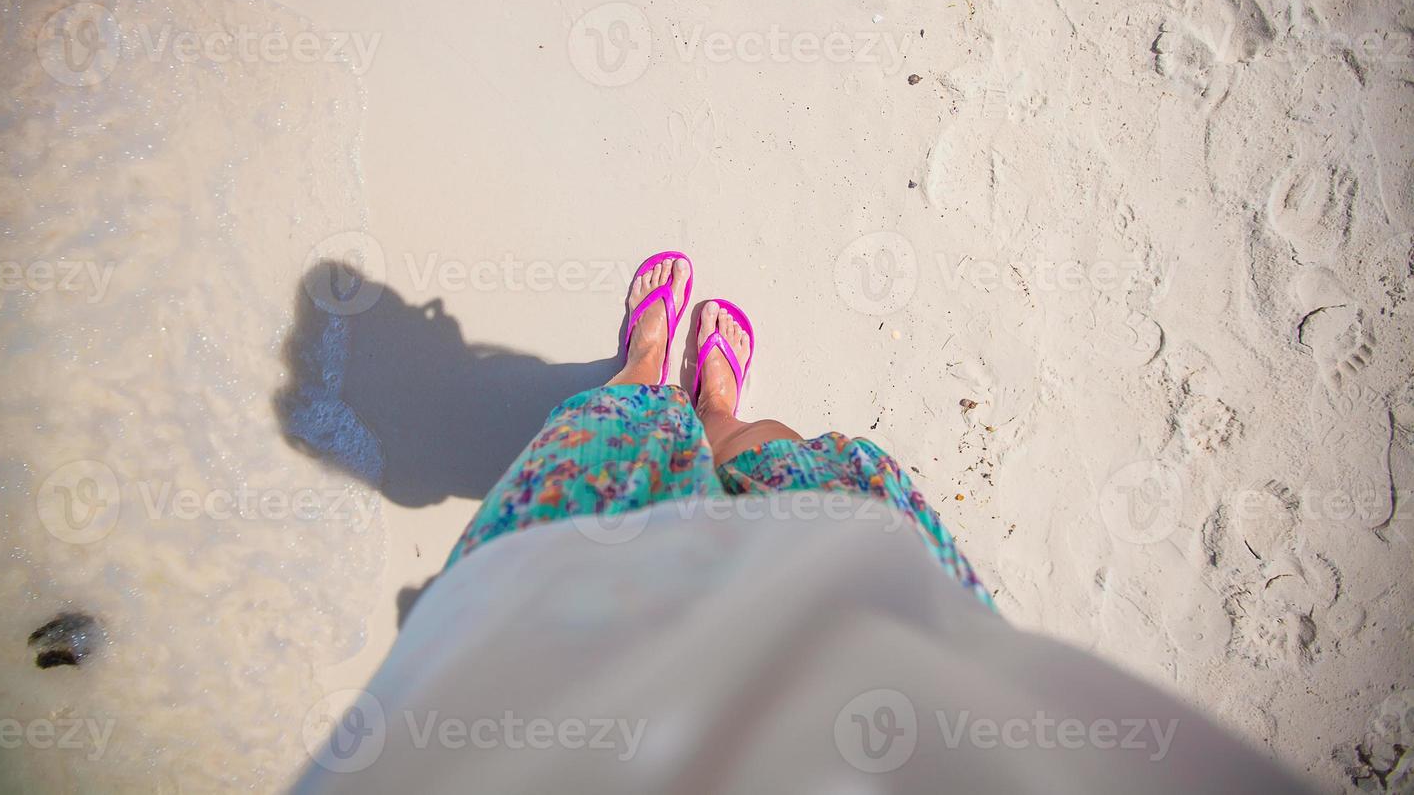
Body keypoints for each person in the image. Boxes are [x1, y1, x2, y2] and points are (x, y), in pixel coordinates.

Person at [295, 252, 1312, 793]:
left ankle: (648, 373)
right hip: (879, 646)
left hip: (545, 654)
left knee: (607, 446)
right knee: (788, 465)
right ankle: (713, 409)